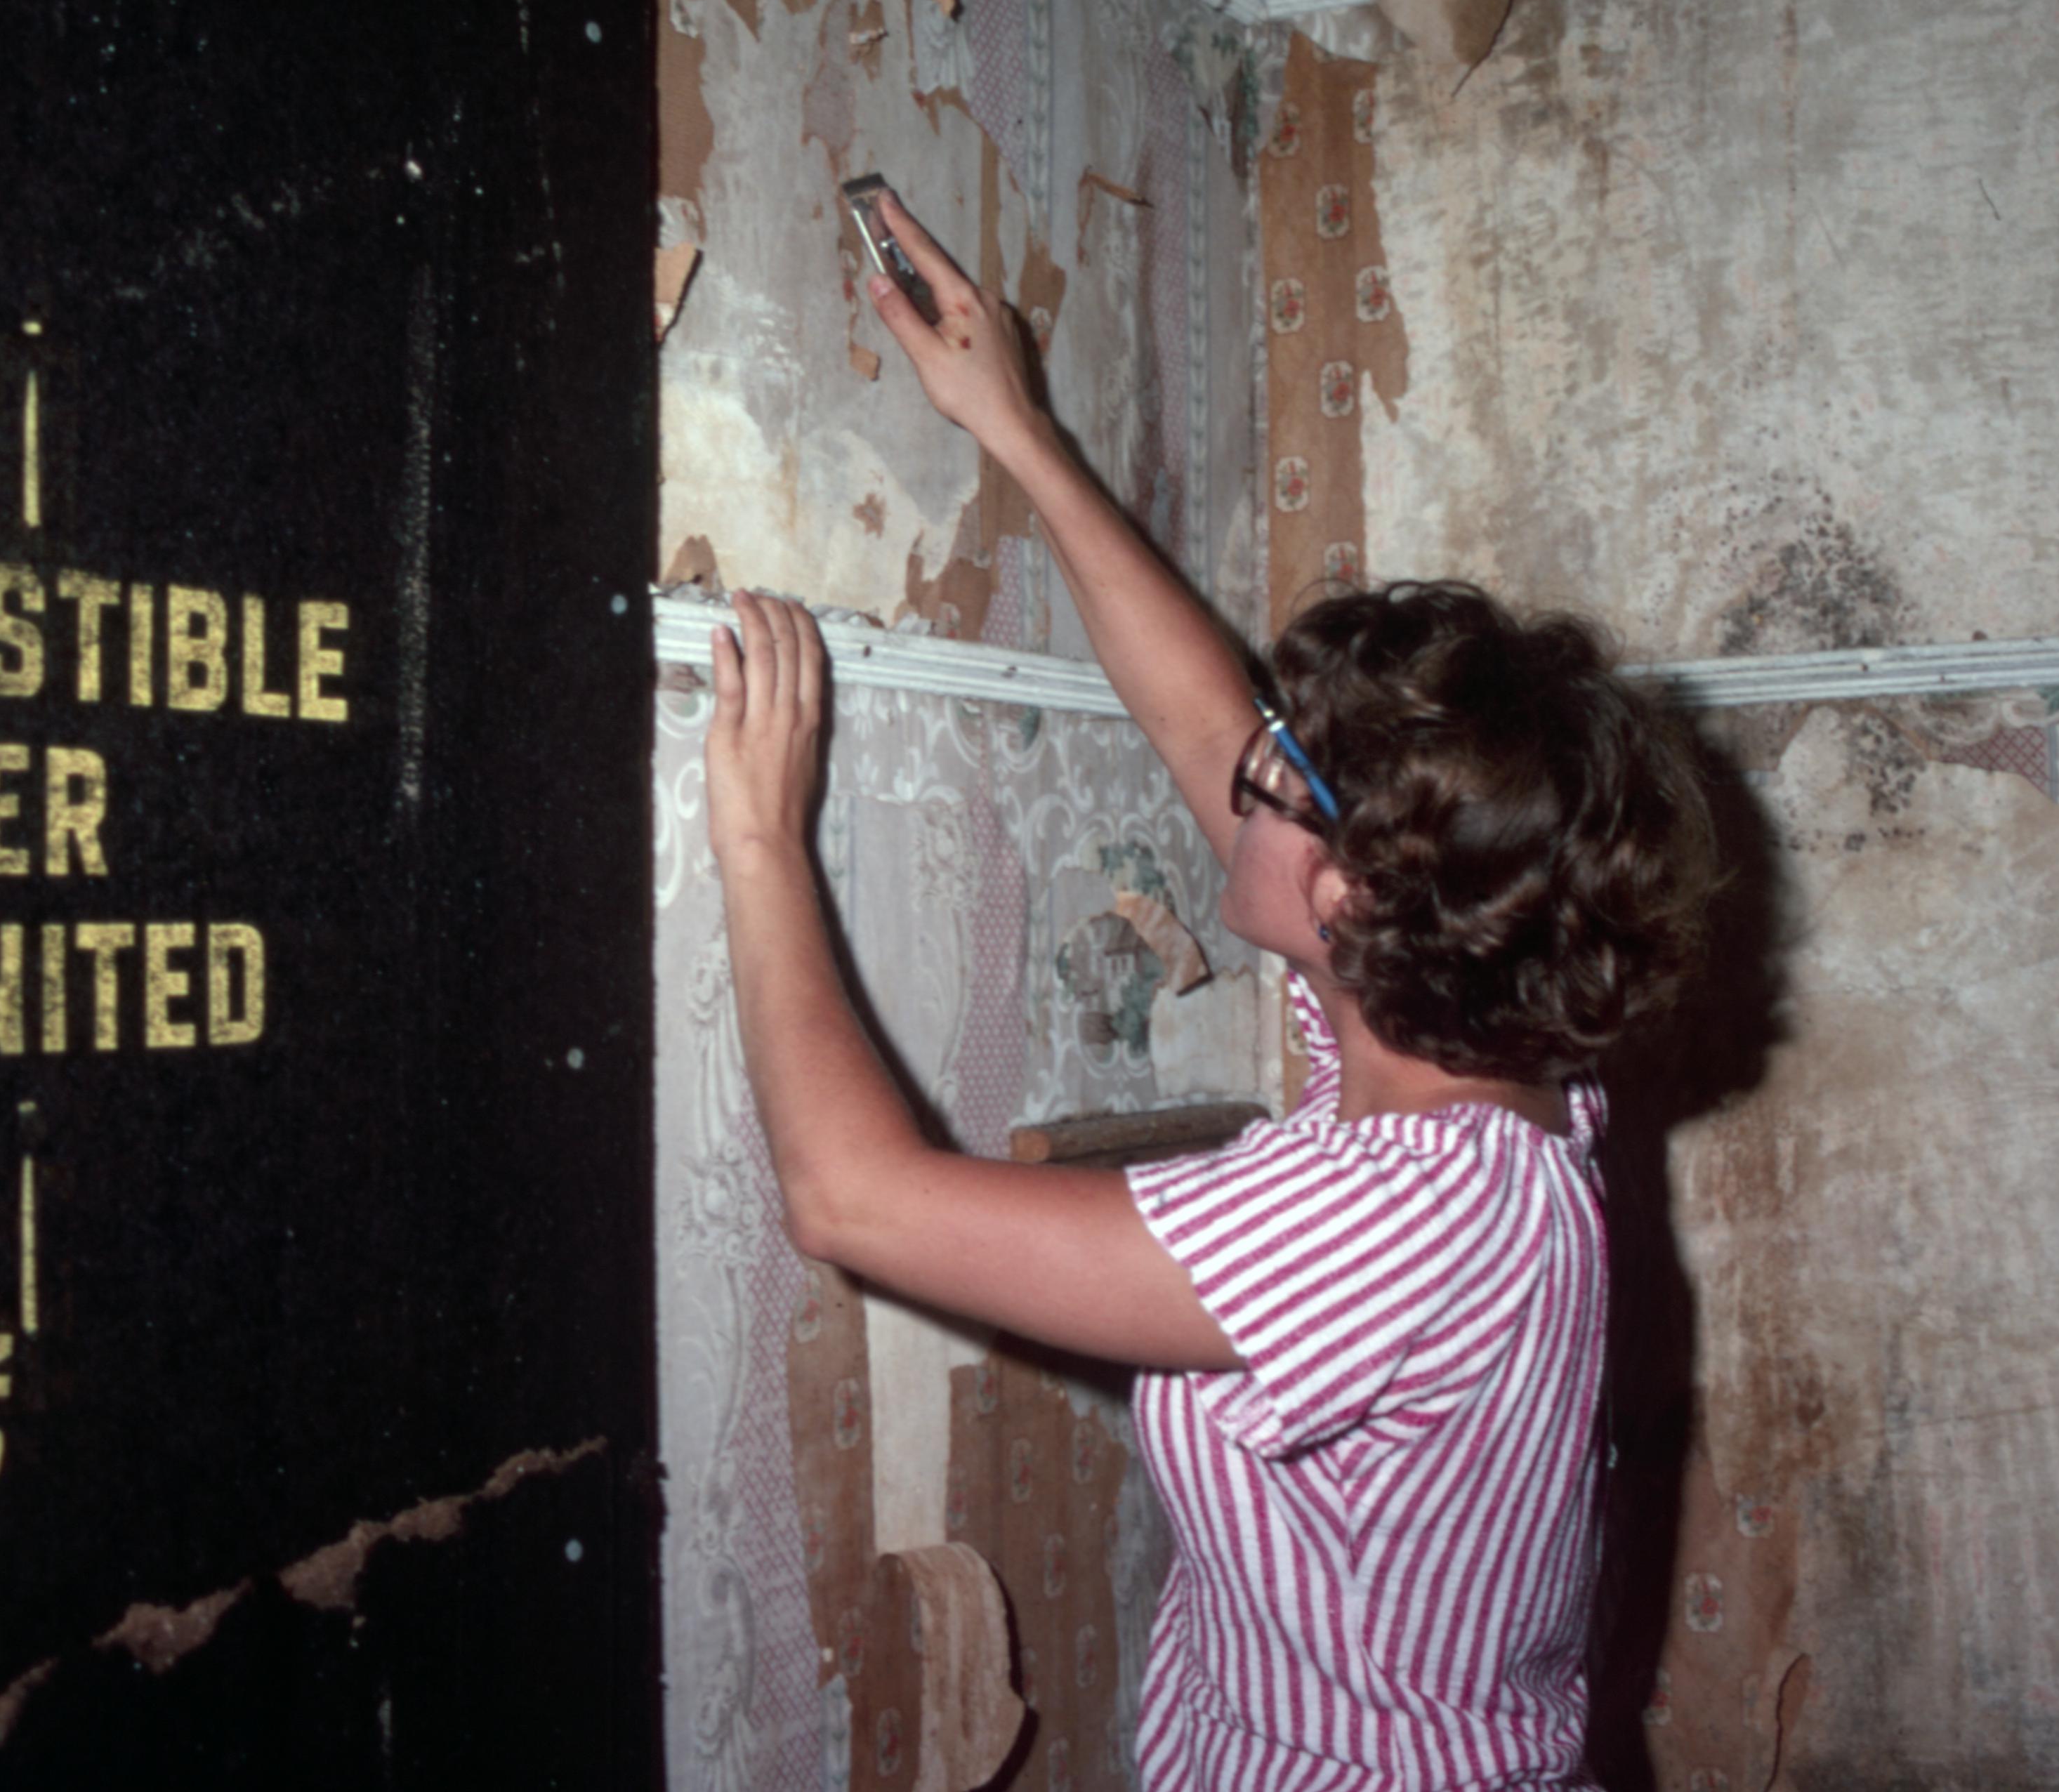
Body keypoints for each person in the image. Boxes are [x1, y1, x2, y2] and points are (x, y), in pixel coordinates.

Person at [703, 190, 1721, 1790]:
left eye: (1284, 781)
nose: (1243, 770)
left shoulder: (1389, 1218)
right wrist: (1016, 429)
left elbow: (853, 1200)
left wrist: (762, 837)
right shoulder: (1485, 1049)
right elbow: (1205, 723)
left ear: (1354, 892)